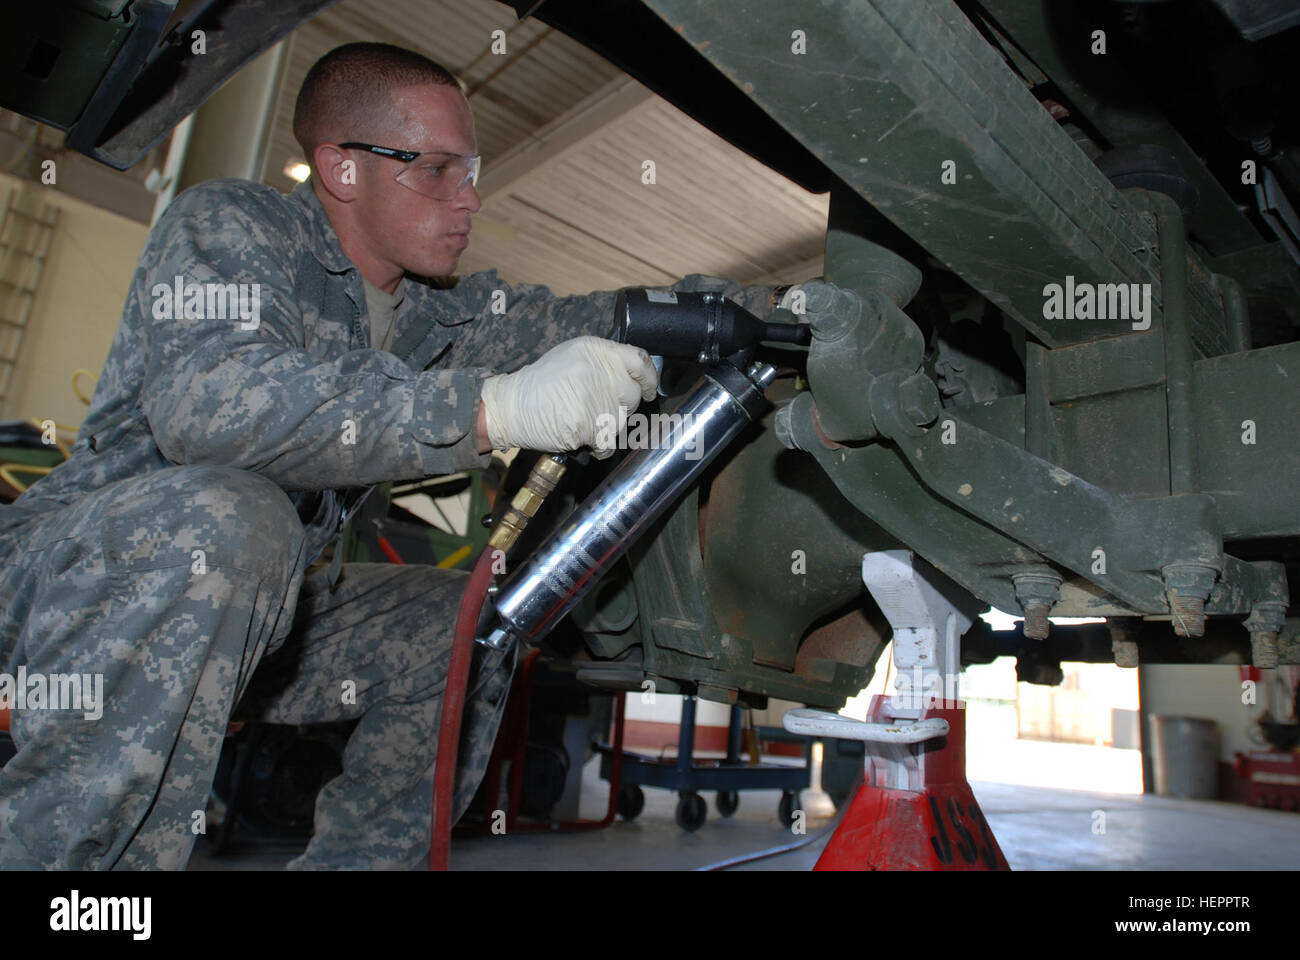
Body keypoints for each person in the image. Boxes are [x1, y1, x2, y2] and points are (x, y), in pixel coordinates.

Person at [0, 42, 780, 869]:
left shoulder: (440, 315)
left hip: (267, 611)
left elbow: (607, 317)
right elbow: (212, 406)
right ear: (341, 168)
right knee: (233, 520)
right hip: (76, 588)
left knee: (468, 623)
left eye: (469, 170)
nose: (469, 198)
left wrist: (775, 307)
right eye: (438, 170)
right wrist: (495, 407)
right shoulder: (230, 225)